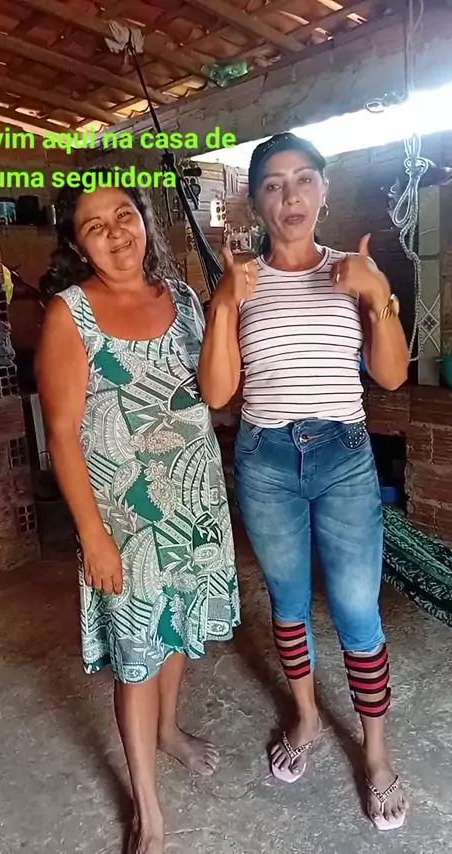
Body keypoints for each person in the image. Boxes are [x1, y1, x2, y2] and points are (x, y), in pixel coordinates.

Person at [198, 133, 410, 832]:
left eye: (303, 180)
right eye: (272, 184)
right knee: (288, 603)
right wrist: (224, 303)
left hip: (343, 458)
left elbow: (391, 376)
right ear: (255, 200)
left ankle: (376, 754)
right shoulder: (241, 282)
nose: (289, 197)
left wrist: (377, 294)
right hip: (265, 460)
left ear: (323, 189)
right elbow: (218, 393)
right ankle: (308, 717)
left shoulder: (353, 271)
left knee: (356, 610)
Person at [35, 166, 239, 854]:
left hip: (195, 501)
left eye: (124, 214)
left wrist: (227, 307)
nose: (115, 233)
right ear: (77, 243)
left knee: (176, 630)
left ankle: (168, 729)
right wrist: (92, 536)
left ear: (145, 218)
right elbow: (62, 434)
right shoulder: (70, 314)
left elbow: (216, 393)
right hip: (125, 521)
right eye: (95, 226)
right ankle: (148, 808)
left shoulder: (182, 297)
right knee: (137, 656)